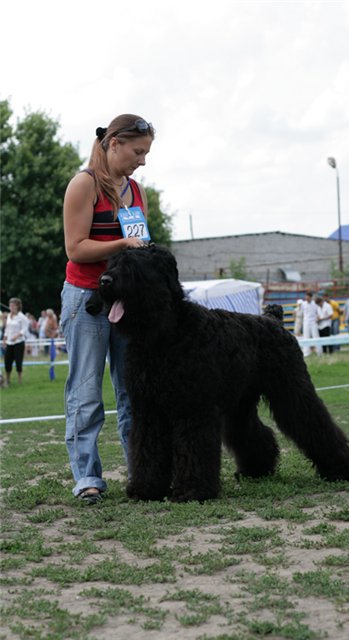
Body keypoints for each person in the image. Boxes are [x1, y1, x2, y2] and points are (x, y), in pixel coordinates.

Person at [61, 113, 155, 504]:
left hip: (127, 300)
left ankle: (143, 471)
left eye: (147, 153)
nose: (143, 160)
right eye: (138, 151)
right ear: (113, 143)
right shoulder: (83, 185)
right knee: (86, 392)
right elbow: (76, 248)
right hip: (87, 299)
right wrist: (122, 245)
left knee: (133, 390)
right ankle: (88, 478)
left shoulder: (136, 191)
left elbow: (142, 245)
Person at [2, 298, 29, 386]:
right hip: (9, 343)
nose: (11, 307)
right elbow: (7, 329)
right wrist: (5, 339)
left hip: (19, 343)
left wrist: (17, 336)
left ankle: (20, 380)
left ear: (17, 306)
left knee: (18, 362)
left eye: (13, 305)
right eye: (10, 305)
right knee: (7, 362)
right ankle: (7, 380)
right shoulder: (9, 315)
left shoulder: (22, 317)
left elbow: (24, 329)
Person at [301, 291, 321, 357]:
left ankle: (319, 352)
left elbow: (318, 313)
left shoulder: (315, 304)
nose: (307, 298)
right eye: (306, 297)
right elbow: (303, 313)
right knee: (306, 337)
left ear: (311, 297)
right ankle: (306, 353)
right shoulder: (303, 304)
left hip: (313, 322)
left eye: (308, 297)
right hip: (306, 321)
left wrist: (317, 318)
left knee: (316, 337)